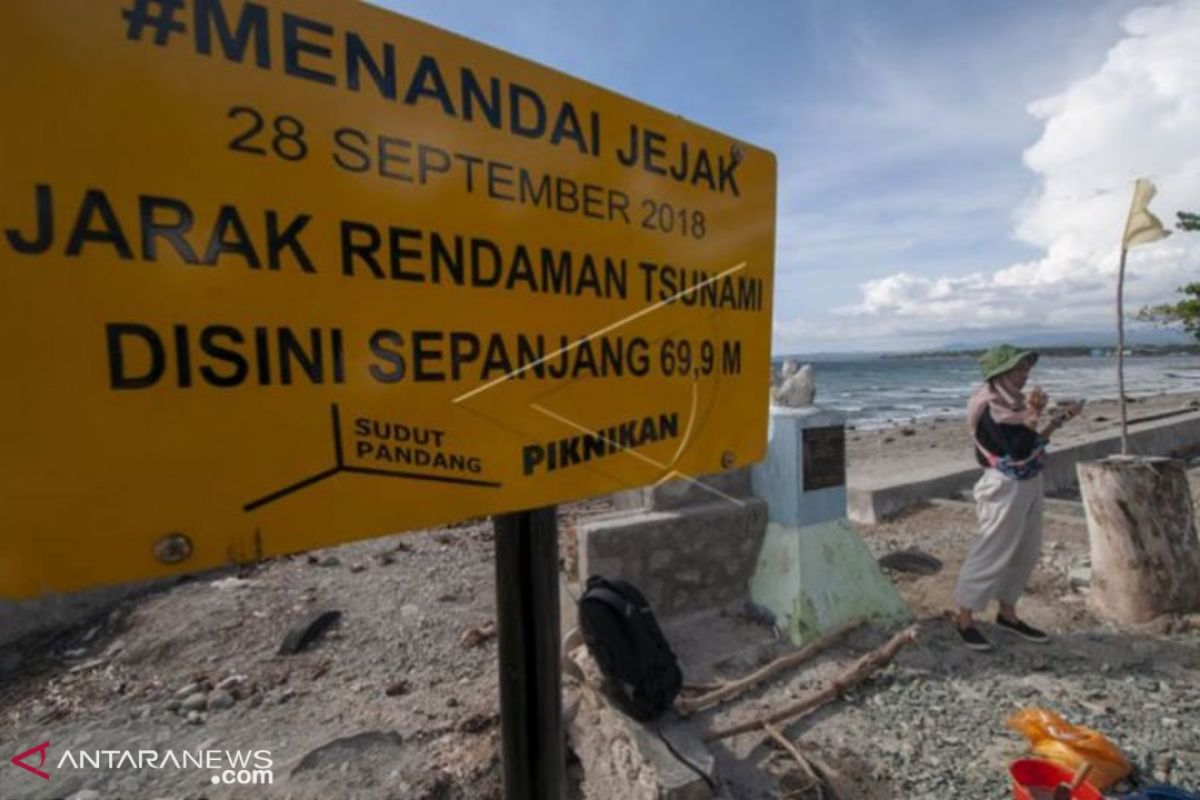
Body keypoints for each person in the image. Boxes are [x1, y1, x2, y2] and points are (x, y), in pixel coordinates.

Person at [954, 345, 1081, 651]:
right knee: (992, 549)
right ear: (999, 374)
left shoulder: (1012, 404)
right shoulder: (987, 407)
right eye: (1017, 370)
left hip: (1028, 482)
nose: (1024, 376)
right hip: (1003, 486)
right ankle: (964, 618)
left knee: (1025, 550)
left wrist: (1058, 420)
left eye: (1026, 369)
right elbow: (1019, 449)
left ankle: (1007, 613)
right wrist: (1035, 414)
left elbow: (1033, 443)